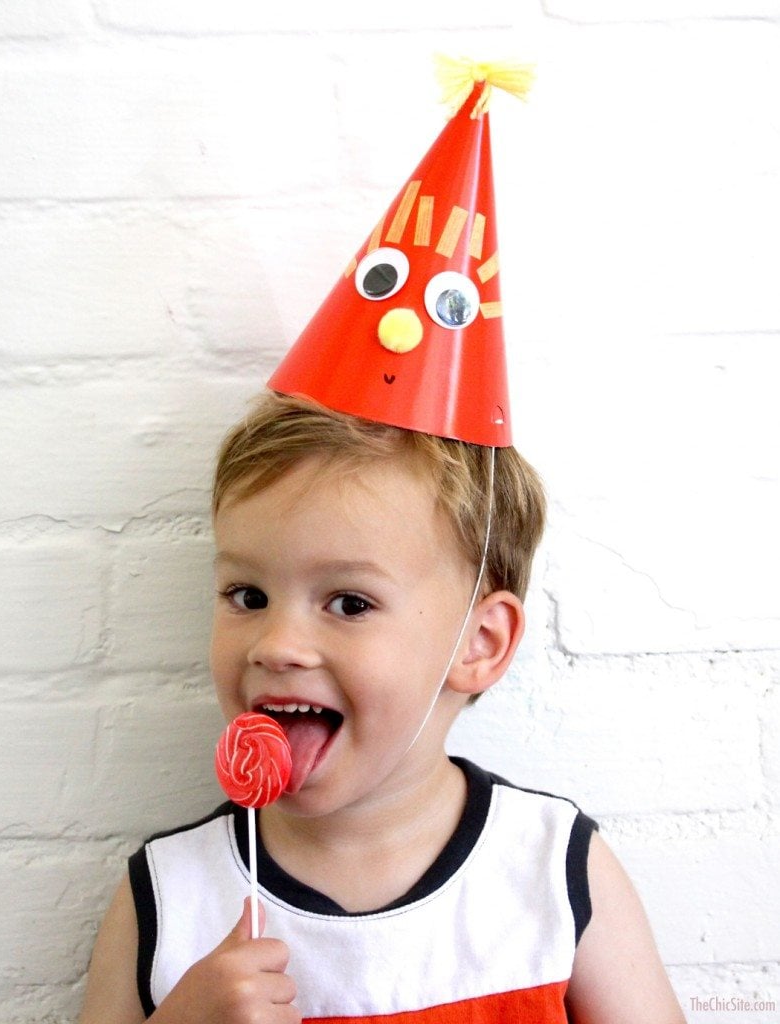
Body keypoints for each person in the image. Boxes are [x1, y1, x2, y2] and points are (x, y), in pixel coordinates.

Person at [79, 60, 687, 1024]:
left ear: (479, 643)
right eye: (247, 594)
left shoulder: (553, 873)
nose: (277, 642)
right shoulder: (168, 899)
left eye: (350, 601)